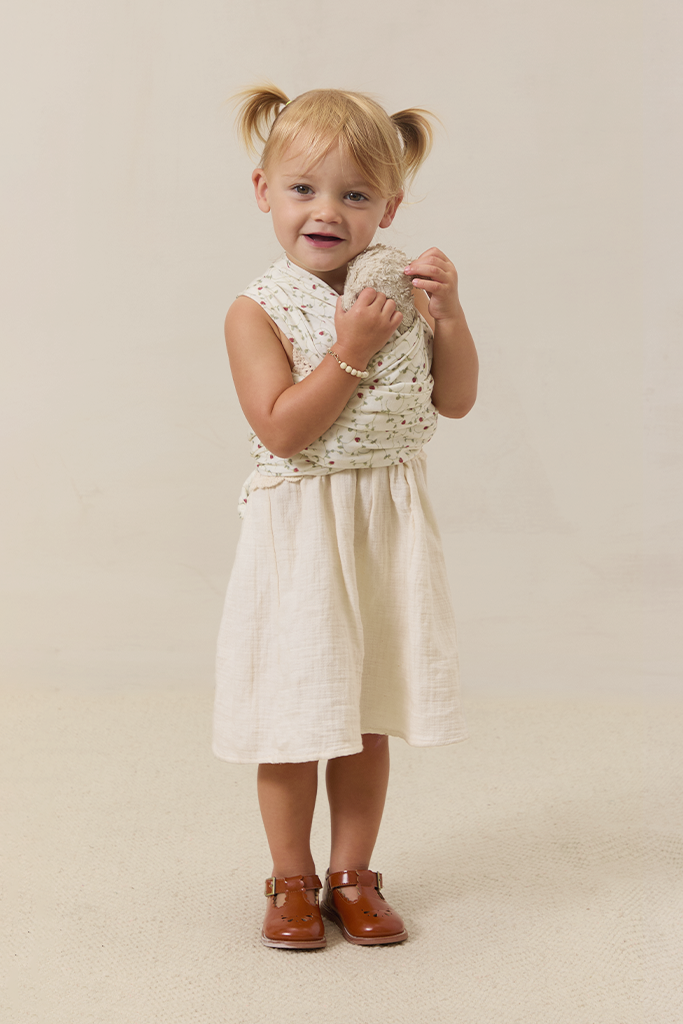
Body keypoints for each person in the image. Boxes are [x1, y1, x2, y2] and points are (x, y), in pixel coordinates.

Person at [213, 84, 479, 949]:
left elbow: (456, 399)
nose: (326, 211)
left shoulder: (399, 287)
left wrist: (447, 317)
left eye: (354, 195)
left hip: (382, 521)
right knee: (297, 710)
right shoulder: (256, 309)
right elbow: (283, 428)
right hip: (302, 528)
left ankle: (352, 874)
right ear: (264, 192)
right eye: (303, 189)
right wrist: (349, 351)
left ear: (388, 206)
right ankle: (289, 879)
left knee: (366, 709)